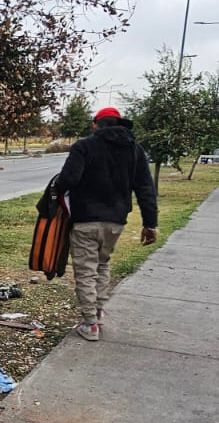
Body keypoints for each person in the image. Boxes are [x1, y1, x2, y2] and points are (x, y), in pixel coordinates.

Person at [56, 107, 158, 341]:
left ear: (95, 125)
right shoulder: (134, 149)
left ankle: (90, 324)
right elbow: (145, 189)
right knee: (102, 264)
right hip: (115, 222)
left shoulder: (84, 146)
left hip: (85, 220)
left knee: (85, 271)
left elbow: (68, 179)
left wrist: (59, 189)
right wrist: (150, 223)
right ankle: (98, 310)